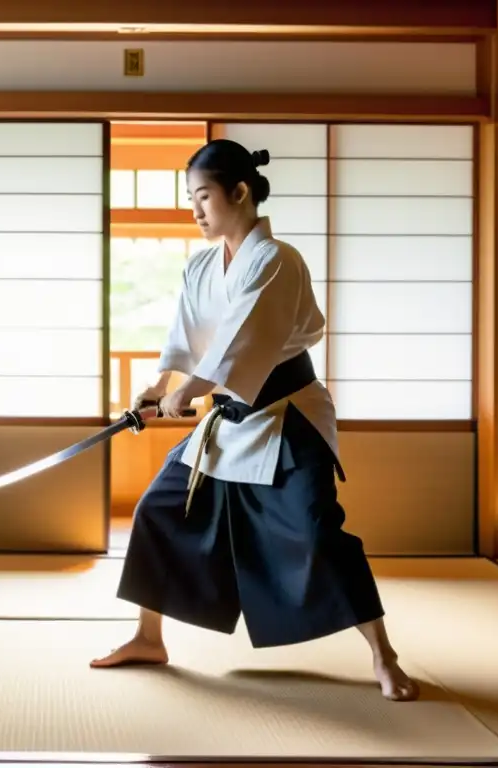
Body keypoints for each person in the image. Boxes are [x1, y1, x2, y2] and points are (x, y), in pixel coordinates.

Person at [90, 139, 419, 702]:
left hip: (286, 417)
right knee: (159, 510)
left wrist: (189, 392)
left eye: (203, 196)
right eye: (190, 198)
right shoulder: (201, 265)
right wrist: (160, 386)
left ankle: (383, 656)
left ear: (239, 192)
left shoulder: (277, 260)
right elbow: (187, 337)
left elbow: (243, 342)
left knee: (318, 533)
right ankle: (149, 637)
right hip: (227, 422)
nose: (194, 210)